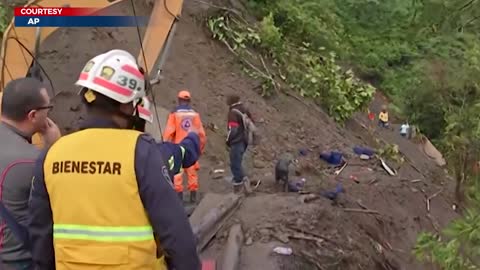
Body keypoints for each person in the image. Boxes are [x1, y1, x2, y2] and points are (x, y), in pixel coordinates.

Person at [28, 49, 201, 270]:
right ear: (127, 105)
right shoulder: (140, 150)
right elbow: (176, 234)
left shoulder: (52, 154)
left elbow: (40, 236)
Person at [0, 77, 61, 270]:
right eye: (48, 108)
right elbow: (61, 197)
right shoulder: (33, 160)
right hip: (15, 261)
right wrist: (55, 148)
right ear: (33, 115)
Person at [163, 90, 206, 203]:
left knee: (178, 173)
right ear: (189, 101)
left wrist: (165, 146)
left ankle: (179, 200)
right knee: (192, 173)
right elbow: (201, 134)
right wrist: (200, 149)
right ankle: (193, 198)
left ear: (179, 100)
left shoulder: (174, 115)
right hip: (192, 148)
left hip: (178, 148)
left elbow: (169, 132)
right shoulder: (195, 115)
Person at [226, 94, 253, 193]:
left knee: (235, 164)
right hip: (245, 140)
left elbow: (233, 129)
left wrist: (228, 141)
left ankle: (240, 188)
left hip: (237, 141)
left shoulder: (233, 112)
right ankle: (244, 184)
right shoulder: (244, 109)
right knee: (240, 163)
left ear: (231, 100)